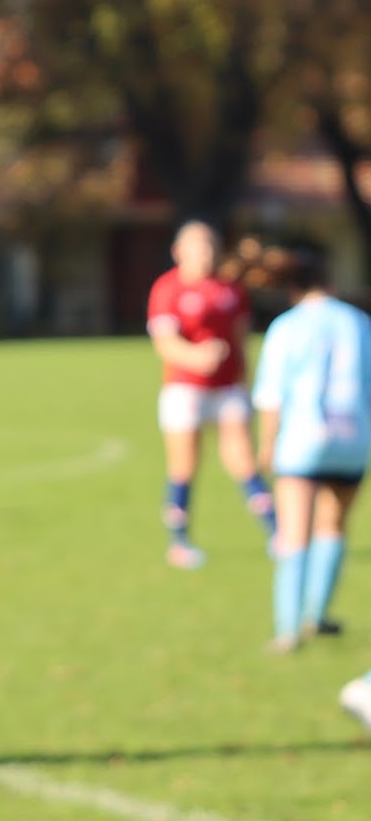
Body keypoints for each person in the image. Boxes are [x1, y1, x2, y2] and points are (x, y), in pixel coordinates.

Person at [250, 246, 371, 653]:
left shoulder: (287, 326)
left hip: (302, 440)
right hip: (352, 439)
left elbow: (272, 394)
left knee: (294, 532)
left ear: (292, 289)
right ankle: (316, 616)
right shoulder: (358, 322)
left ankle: (287, 628)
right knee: (333, 525)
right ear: (330, 282)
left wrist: (267, 443)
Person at [147, 220, 276, 569]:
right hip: (185, 389)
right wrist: (197, 357)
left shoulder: (230, 289)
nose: (204, 252)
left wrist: (246, 384)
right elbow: (166, 343)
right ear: (179, 251)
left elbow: (240, 339)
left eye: (209, 245)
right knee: (184, 465)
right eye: (197, 245)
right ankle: (180, 541)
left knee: (244, 462)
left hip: (227, 388)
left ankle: (278, 533)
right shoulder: (167, 289)